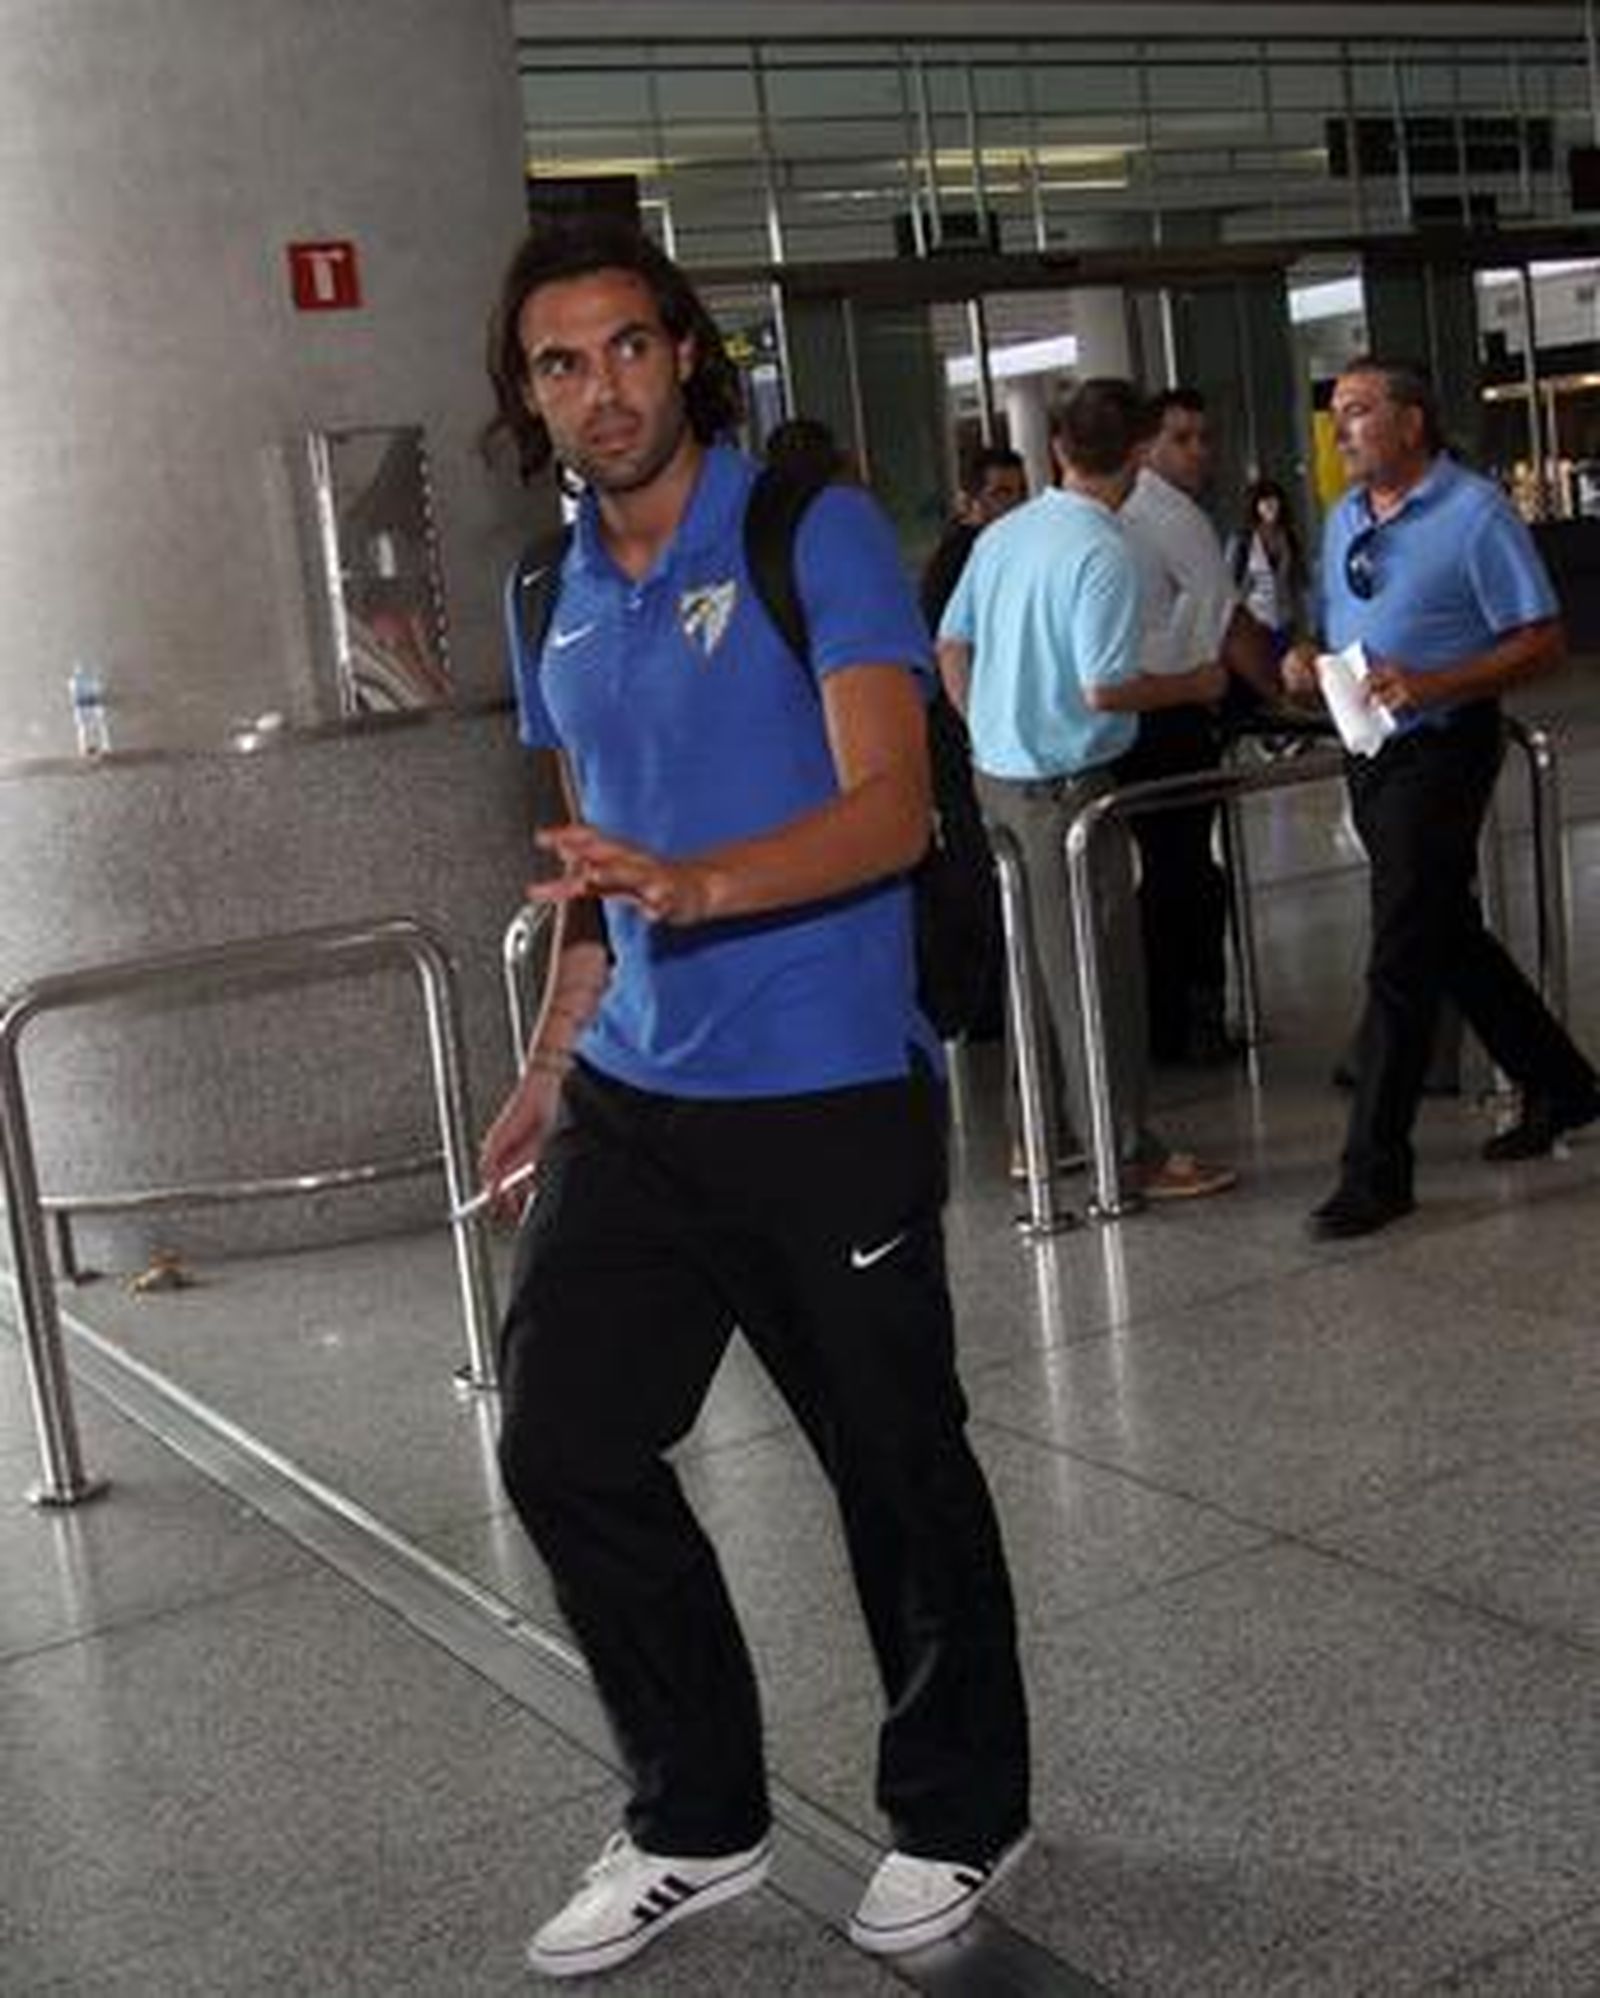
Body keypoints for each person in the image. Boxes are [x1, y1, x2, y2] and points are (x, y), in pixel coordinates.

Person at [479, 219, 1031, 1980]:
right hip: (637, 1095)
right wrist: (549, 1063)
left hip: (823, 1090)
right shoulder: (538, 591)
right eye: (560, 363)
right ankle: (696, 1813)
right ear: (528, 396)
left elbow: (890, 809)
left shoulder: (813, 529)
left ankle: (959, 1805)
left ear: (686, 352)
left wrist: (701, 886)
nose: (600, 387)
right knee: (562, 1442)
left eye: (627, 347)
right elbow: (590, 859)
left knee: (893, 1466)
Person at [1284, 357, 1600, 1239]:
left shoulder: (1474, 514)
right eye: (1337, 413)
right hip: (1368, 747)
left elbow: (1542, 641)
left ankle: (1376, 1167)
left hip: (1443, 749)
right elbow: (1339, 622)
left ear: (1412, 422)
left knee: (1399, 951)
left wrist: (1437, 683)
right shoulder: (1346, 515)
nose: (1341, 429)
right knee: (1441, 928)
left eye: (1359, 411)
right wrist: (1307, 662)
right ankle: (1564, 1084)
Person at [936, 378, 1236, 1202]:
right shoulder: (1102, 550)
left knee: (1031, 968)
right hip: (1067, 787)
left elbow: (950, 644)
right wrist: (1195, 682)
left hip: (996, 778)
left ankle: (1040, 1138)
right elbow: (1105, 688)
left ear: (1058, 450)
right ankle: (1126, 1150)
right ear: (1138, 455)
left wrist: (984, 728)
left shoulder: (1004, 534)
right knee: (1097, 969)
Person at [1116, 387, 1243, 1065]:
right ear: (1146, 447)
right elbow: (1227, 621)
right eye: (1181, 438)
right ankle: (1189, 1016)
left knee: (1168, 871)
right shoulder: (1173, 517)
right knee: (1185, 873)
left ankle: (1164, 1017)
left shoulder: (1114, 514)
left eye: (1204, 437)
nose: (1199, 452)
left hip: (1134, 713)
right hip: (1173, 714)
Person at [919, 446, 1029, 632]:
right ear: (972, 501)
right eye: (1001, 493)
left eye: (1022, 492)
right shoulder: (958, 556)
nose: (1016, 503)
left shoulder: (1014, 545)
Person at [1225, 477, 1308, 662]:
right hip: (1255, 626)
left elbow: (1299, 584)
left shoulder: (1289, 537)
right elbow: (1229, 589)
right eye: (1263, 502)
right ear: (1254, 507)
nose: (1269, 507)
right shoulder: (1242, 541)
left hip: (1287, 624)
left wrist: (1305, 627)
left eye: (1273, 500)